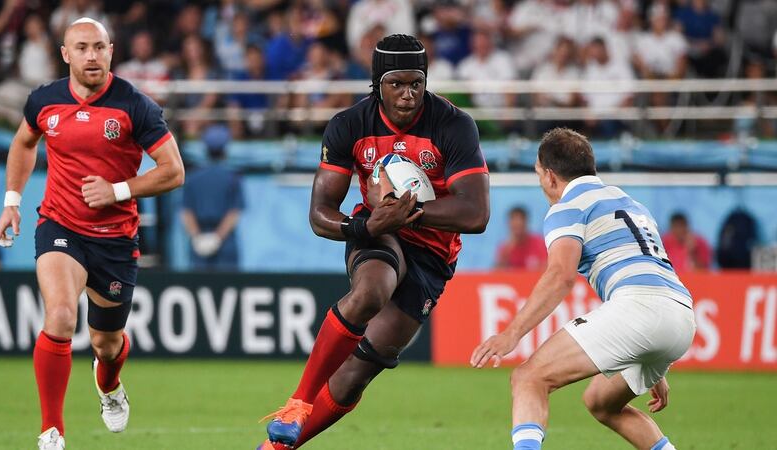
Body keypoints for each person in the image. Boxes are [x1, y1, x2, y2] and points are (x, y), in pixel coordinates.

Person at [258, 34, 490, 450]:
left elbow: (476, 213)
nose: (408, 95)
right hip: (376, 230)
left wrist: (409, 213)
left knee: (351, 379)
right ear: (377, 84)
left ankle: (273, 448)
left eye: (416, 83)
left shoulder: (454, 124)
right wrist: (360, 228)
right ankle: (298, 402)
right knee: (370, 290)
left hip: (433, 254)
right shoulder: (349, 125)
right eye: (396, 84)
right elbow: (320, 212)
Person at [0, 18, 184, 450]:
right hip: (59, 224)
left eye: (99, 47)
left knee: (107, 342)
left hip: (115, 238)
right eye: (81, 48)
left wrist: (117, 190)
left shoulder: (136, 106)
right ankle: (51, 431)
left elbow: (174, 171)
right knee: (60, 316)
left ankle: (110, 385)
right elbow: (24, 143)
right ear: (65, 54)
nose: (91, 56)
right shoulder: (44, 100)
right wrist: (11, 201)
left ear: (111, 50)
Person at [472, 128, 695, 450]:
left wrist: (511, 334)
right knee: (602, 402)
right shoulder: (631, 204)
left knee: (528, 378)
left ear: (549, 176)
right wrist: (654, 363)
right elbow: (645, 271)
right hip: (680, 315)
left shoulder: (569, 206)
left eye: (538, 175)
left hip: (640, 309)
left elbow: (561, 275)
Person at [181, 124, 243, 271]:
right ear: (225, 149)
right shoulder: (232, 177)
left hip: (200, 240)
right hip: (225, 242)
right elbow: (234, 212)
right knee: (227, 288)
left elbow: (186, 212)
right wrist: (217, 238)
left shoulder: (193, 177)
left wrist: (197, 238)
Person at [495, 206, 547, 271]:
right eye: (515, 225)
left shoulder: (539, 244)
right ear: (509, 224)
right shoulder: (505, 248)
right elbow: (497, 273)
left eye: (520, 221)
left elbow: (547, 267)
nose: (517, 224)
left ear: (526, 222)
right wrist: (506, 253)